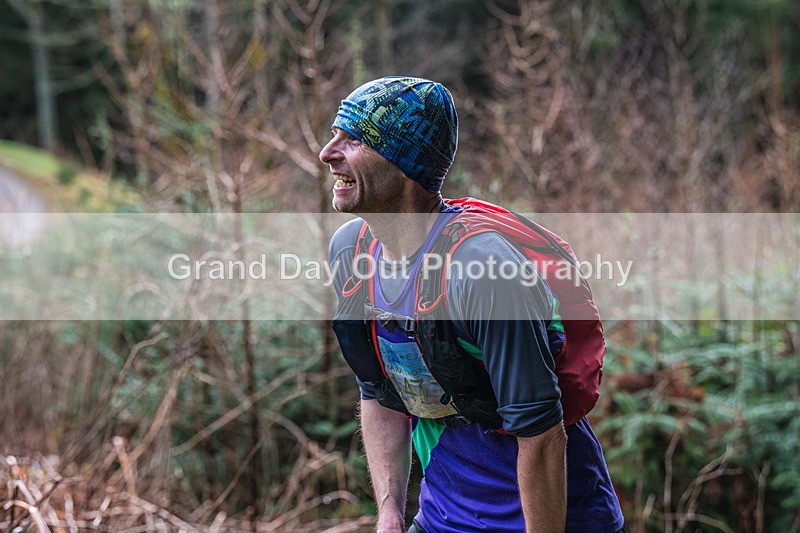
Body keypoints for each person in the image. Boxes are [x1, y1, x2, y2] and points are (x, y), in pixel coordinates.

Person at [321, 76, 625, 533]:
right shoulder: (353, 251)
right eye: (334, 134)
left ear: (405, 162)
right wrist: (389, 514)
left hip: (555, 519)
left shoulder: (479, 268)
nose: (328, 152)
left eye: (355, 139)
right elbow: (379, 391)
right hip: (443, 517)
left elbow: (541, 434)